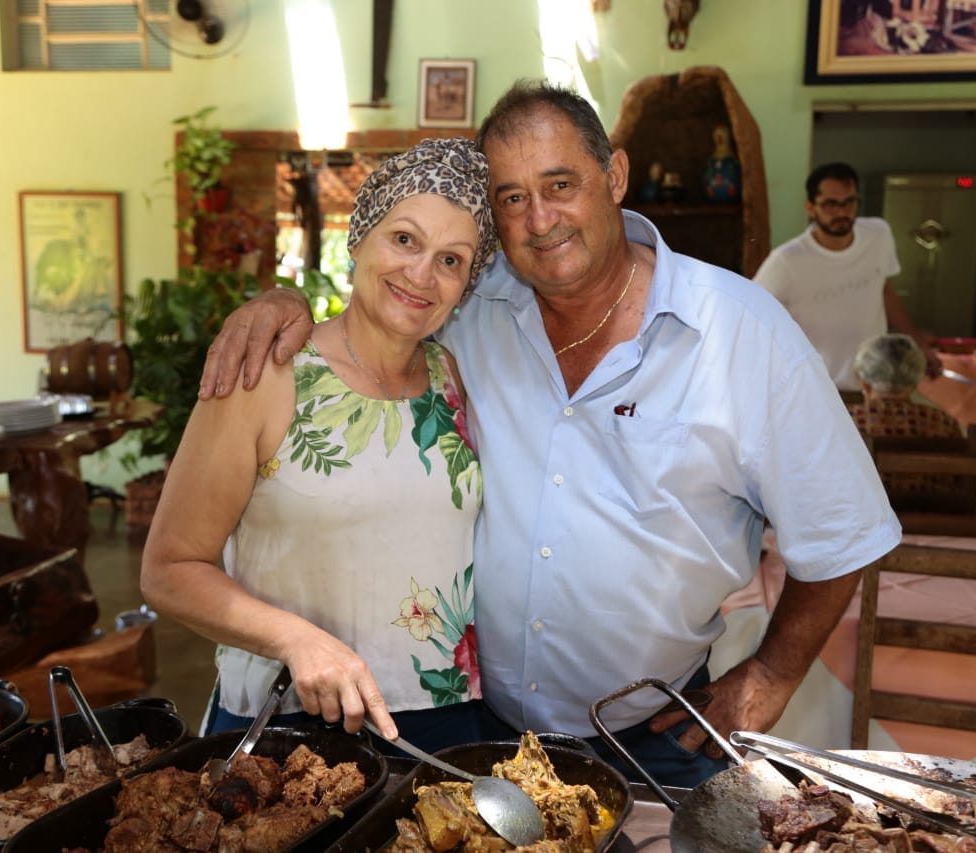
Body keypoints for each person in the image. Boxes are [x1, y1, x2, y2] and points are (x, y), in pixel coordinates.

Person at [199, 81, 900, 787]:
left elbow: (843, 527)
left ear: (615, 176)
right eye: (510, 198)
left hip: (656, 734)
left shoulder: (743, 333)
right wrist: (279, 304)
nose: (539, 219)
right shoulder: (469, 313)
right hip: (482, 735)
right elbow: (378, 313)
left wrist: (774, 671)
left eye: (560, 184)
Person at [141, 137, 499, 753]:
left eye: (451, 260)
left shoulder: (454, 378)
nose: (421, 274)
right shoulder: (267, 372)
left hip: (441, 717)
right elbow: (170, 570)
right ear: (358, 236)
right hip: (286, 717)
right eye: (405, 239)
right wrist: (296, 639)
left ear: (467, 284)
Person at [753, 162, 941, 392]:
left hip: (874, 386)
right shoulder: (786, 260)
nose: (842, 212)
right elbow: (753, 317)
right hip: (815, 390)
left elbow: (884, 291)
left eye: (849, 202)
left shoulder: (878, 235)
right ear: (811, 207)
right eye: (831, 204)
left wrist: (920, 345)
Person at [851, 332, 976, 515]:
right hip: (936, 525)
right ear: (914, 383)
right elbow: (966, 491)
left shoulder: (848, 422)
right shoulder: (943, 423)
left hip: (869, 530)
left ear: (865, 384)